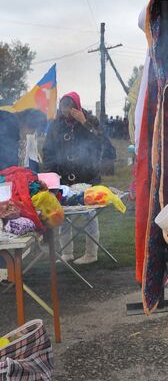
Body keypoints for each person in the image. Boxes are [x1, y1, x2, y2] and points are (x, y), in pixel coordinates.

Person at [43, 92, 103, 264]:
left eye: (69, 107)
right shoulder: (56, 125)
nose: (66, 111)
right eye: (63, 107)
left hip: (87, 176)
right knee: (62, 214)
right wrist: (50, 174)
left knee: (89, 214)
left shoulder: (90, 120)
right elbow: (48, 150)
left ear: (75, 107)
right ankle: (67, 253)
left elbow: (99, 143)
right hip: (62, 177)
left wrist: (83, 122)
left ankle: (91, 254)